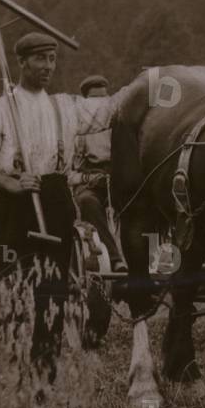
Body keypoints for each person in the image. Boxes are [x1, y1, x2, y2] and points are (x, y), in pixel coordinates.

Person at [0, 32, 128, 392]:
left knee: (52, 294)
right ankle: (12, 375)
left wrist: (152, 82)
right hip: (15, 209)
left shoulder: (66, 105)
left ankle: (43, 377)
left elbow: (111, 109)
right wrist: (11, 183)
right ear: (22, 62)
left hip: (56, 202)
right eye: (40, 59)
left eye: (53, 59)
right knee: (13, 290)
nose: (47, 66)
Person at [70, 74, 127, 272]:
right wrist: (88, 178)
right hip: (90, 182)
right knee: (88, 202)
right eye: (94, 101)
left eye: (104, 101)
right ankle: (114, 258)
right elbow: (68, 174)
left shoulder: (120, 123)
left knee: (142, 202)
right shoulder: (76, 130)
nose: (99, 107)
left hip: (119, 178)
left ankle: (154, 259)